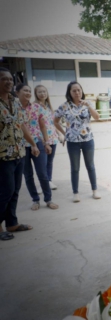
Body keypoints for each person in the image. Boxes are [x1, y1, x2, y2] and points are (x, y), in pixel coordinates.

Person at [0, 67, 39, 240]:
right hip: (2, 156)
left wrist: (33, 144)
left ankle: (12, 223)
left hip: (19, 153)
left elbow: (21, 125)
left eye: (10, 79)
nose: (8, 81)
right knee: (5, 191)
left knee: (15, 189)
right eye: (3, 79)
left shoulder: (14, 101)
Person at [54, 81, 101, 203]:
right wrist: (64, 134)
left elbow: (97, 117)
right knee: (75, 168)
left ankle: (95, 190)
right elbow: (55, 121)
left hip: (88, 140)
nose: (77, 92)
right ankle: (75, 193)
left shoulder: (87, 103)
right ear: (69, 92)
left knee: (90, 166)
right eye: (74, 90)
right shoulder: (64, 106)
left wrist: (89, 106)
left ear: (82, 91)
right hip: (72, 142)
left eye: (78, 90)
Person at [16, 83, 59, 210]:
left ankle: (48, 199)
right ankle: (35, 200)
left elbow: (42, 126)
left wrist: (46, 142)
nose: (28, 93)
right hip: (22, 145)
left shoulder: (36, 107)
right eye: (25, 91)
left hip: (38, 142)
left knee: (42, 173)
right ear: (17, 92)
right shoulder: (14, 108)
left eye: (29, 91)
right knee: (28, 175)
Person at [34, 85, 62, 191]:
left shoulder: (48, 106)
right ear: (36, 94)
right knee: (42, 163)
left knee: (50, 161)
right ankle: (42, 184)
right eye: (40, 92)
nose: (42, 94)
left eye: (44, 91)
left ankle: (49, 181)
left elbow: (53, 123)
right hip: (41, 139)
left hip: (53, 138)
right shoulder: (35, 106)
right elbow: (35, 125)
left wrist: (59, 134)